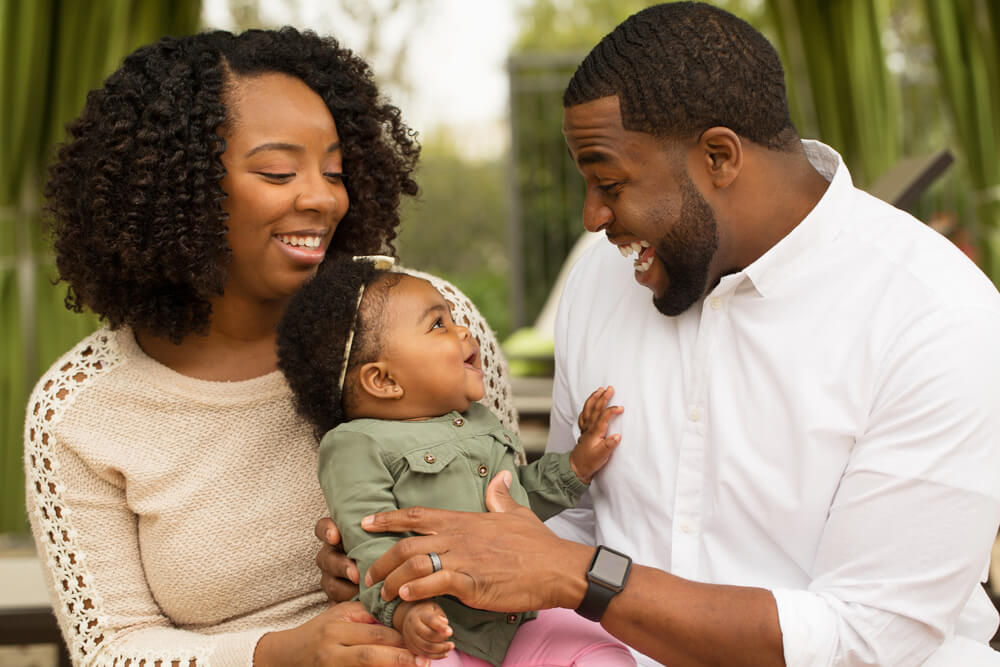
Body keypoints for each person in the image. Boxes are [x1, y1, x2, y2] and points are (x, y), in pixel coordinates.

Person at [316, 3, 1000, 666]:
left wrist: (586, 576)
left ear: (720, 157)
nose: (590, 217)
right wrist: (420, 563)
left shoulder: (938, 316)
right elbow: (562, 525)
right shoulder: (600, 280)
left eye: (610, 182)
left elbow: (866, 637)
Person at [23, 27, 518, 667]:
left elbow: (518, 517)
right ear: (180, 187)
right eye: (279, 171)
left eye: (335, 170)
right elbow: (112, 648)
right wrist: (283, 652)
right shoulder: (80, 410)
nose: (322, 197)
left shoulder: (432, 326)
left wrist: (403, 572)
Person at [274, 253, 635, 666]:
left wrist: (576, 466)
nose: (463, 330)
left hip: (520, 621)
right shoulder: (355, 445)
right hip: (436, 632)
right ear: (383, 380)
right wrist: (405, 612)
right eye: (438, 325)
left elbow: (516, 502)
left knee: (598, 652)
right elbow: (372, 547)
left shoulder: (479, 419)